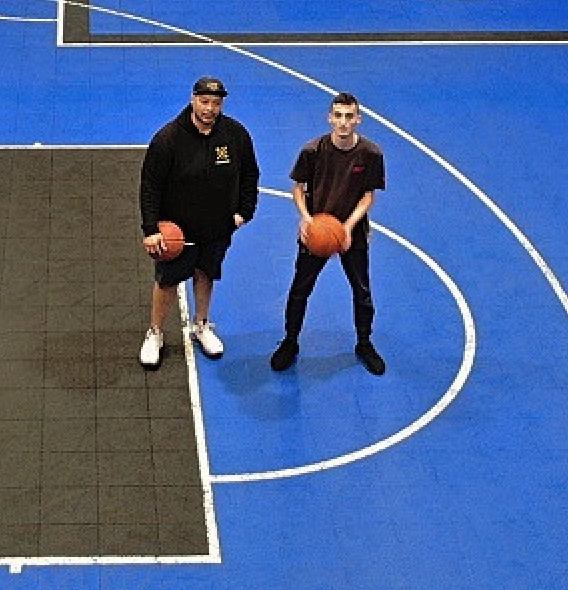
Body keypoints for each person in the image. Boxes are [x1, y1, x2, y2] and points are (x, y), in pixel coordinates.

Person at [139, 75, 260, 368]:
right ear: (193, 100)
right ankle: (155, 332)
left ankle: (201, 325)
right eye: (204, 102)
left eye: (216, 103)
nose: (209, 108)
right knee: (166, 281)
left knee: (206, 274)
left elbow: (250, 175)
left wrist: (245, 211)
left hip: (217, 226)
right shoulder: (168, 139)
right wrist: (151, 229)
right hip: (177, 231)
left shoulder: (235, 135)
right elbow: (150, 186)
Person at [270, 92, 386, 375]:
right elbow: (298, 188)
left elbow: (368, 196)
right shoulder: (313, 151)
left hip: (352, 234)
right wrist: (307, 219)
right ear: (330, 118)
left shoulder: (371, 154)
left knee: (362, 291)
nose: (343, 122)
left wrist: (347, 227)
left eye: (349, 116)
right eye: (338, 116)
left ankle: (364, 343)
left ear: (358, 119)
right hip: (317, 230)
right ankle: (290, 341)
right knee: (300, 289)